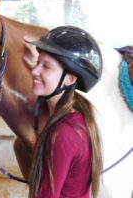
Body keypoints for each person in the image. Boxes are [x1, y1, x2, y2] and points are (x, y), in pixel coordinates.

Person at [23, 26, 103, 198]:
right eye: (38, 63)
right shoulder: (77, 118)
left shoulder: (63, 133)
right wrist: (44, 68)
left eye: (46, 66)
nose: (34, 71)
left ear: (70, 79)